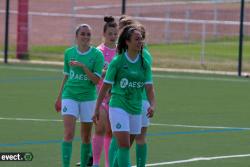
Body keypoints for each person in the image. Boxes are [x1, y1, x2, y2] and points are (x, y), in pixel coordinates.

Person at [92, 25, 156, 167]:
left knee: (126, 146)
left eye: (141, 39)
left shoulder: (144, 63)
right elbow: (105, 87)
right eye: (137, 39)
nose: (140, 42)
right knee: (124, 145)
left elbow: (149, 88)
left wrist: (153, 104)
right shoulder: (118, 62)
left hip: (136, 108)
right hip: (118, 107)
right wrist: (96, 108)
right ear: (127, 42)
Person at [55, 24, 104, 167]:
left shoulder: (97, 55)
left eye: (88, 34)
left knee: (86, 137)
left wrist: (82, 66)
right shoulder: (69, 53)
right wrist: (59, 97)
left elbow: (96, 80)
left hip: (88, 98)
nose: (86, 37)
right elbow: (66, 76)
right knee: (69, 133)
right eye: (83, 34)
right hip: (69, 95)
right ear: (76, 36)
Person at [118, 16, 154, 167]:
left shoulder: (137, 55)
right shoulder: (144, 55)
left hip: (134, 100)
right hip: (141, 100)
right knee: (137, 139)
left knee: (122, 142)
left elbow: (147, 83)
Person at [92, 16, 118, 167]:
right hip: (99, 96)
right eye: (110, 34)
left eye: (115, 34)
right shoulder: (98, 52)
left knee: (110, 132)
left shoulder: (120, 52)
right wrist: (104, 72)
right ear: (104, 34)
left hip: (114, 97)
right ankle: (95, 163)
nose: (113, 37)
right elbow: (93, 73)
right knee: (100, 129)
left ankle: (108, 164)